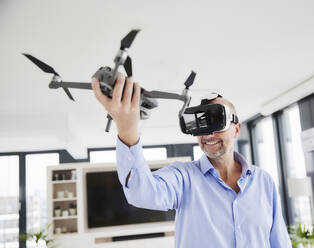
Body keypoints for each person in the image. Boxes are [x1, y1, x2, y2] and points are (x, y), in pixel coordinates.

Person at [91, 75, 292, 248]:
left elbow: (279, 242)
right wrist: (128, 131)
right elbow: (140, 192)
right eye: (202, 127)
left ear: (236, 129)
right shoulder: (183, 178)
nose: (208, 135)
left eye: (216, 123)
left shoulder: (263, 182)